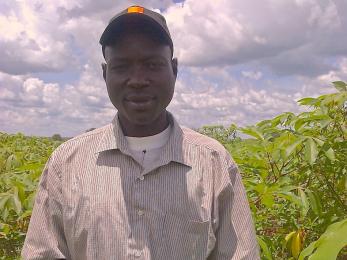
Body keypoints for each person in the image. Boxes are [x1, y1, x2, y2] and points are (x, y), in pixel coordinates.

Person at [21, 5, 260, 260]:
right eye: (121, 67)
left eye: (152, 64)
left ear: (174, 70)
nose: (137, 79)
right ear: (105, 74)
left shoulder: (214, 163)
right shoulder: (66, 163)